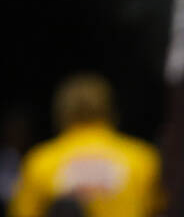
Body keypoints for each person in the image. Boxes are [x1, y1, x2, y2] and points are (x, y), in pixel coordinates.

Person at [9, 73, 163, 217]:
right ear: (111, 109)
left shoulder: (41, 161)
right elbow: (159, 209)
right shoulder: (142, 158)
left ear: (61, 112)